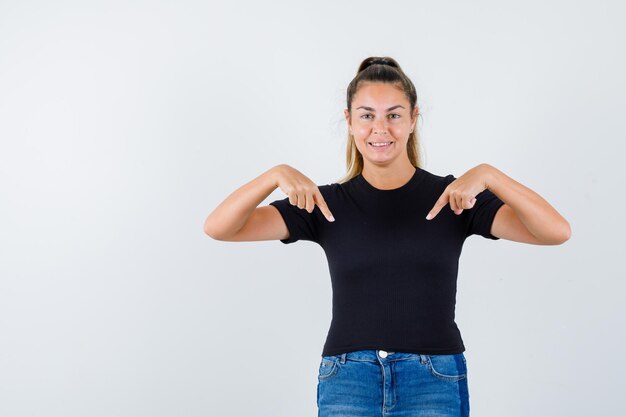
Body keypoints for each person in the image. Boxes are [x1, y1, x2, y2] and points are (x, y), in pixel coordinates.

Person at [203, 56, 571, 417]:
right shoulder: (324, 203)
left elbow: (556, 232)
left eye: (394, 115)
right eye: (367, 115)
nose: (380, 129)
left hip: (434, 378)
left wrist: (491, 175)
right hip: (347, 378)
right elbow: (220, 227)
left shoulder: (454, 199)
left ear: (413, 119)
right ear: (349, 120)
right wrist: (275, 174)